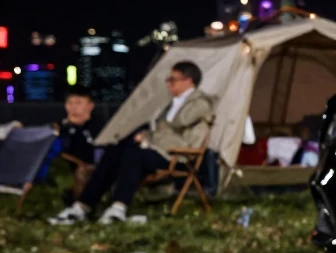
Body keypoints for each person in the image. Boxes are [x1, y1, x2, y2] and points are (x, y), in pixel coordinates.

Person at [48, 61, 214, 225]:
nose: (169, 83)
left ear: (188, 81)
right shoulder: (173, 104)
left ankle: (119, 206)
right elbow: (163, 130)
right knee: (115, 150)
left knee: (133, 155)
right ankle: (83, 205)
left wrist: (151, 134)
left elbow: (179, 122)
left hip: (179, 156)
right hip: (158, 151)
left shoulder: (201, 103)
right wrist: (147, 134)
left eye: (173, 79)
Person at [55, 87, 101, 201]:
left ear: (90, 106)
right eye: (70, 103)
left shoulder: (99, 126)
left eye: (78, 103)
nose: (73, 107)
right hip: (69, 166)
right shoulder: (60, 127)